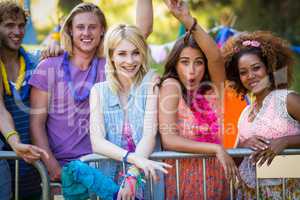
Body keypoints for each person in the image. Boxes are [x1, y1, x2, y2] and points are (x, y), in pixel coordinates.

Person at [29, 1, 153, 182]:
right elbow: (36, 124)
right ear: (70, 30)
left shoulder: (111, 65)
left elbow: (140, 34)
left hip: (105, 168)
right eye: (80, 27)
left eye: (92, 27)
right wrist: (52, 166)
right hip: (63, 170)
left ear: (102, 30)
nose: (86, 33)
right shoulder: (48, 66)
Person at [158, 0, 239, 199]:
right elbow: (169, 140)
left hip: (219, 180)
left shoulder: (214, 92)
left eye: (199, 62)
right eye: (184, 63)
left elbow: (216, 58)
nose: (192, 71)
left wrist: (187, 20)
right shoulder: (171, 87)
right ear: (175, 65)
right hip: (184, 183)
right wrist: (215, 148)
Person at [89, 24, 171, 200]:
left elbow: (149, 136)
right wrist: (133, 158)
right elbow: (97, 142)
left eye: (136, 52)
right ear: (111, 55)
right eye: (122, 54)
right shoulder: (98, 91)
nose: (130, 60)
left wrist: (132, 175)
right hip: (109, 182)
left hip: (144, 181)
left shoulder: (151, 83)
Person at [222, 31, 300, 199]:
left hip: (288, 192)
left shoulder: (287, 99)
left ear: (269, 68)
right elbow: (235, 160)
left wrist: (286, 141)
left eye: (256, 68)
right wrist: (244, 144)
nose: (250, 76)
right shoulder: (245, 113)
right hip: (251, 193)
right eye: (243, 72)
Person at [0, 2, 48, 200]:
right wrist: (15, 142)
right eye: (9, 25)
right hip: (6, 161)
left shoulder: (34, 62)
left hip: (33, 163)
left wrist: (55, 49)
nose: (17, 31)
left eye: (21, 25)